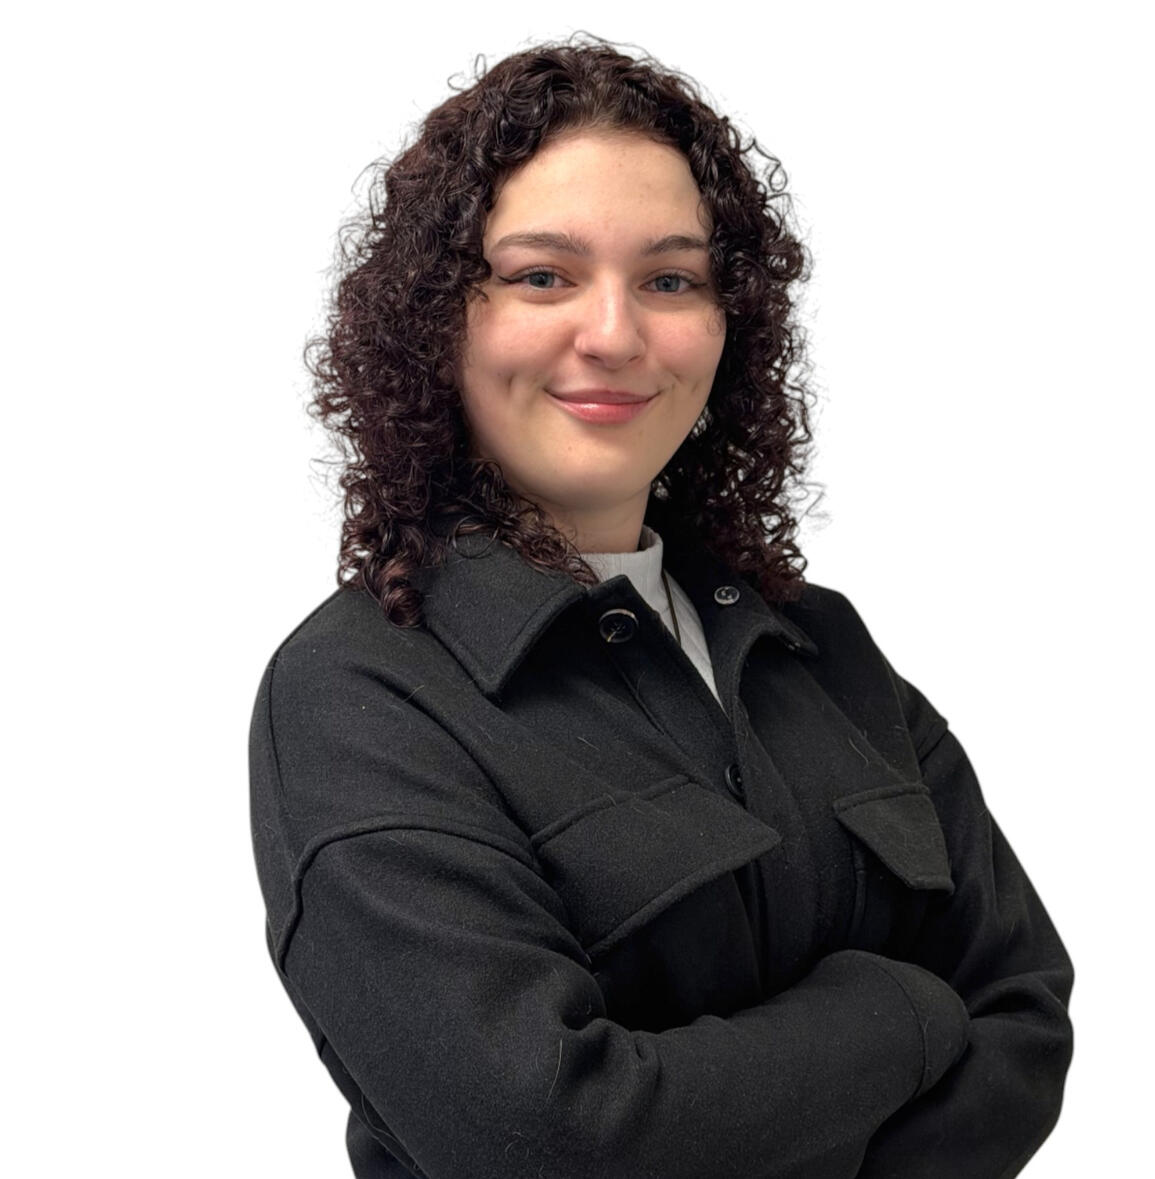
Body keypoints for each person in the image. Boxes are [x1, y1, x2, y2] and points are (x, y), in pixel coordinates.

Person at [249, 38, 1073, 1179]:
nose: (614, 334)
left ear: (731, 323)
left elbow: (1024, 1021)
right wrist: (901, 1011)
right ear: (436, 319)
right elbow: (542, 1141)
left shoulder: (821, 646)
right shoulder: (362, 695)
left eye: (670, 280)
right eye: (542, 276)